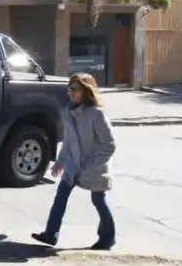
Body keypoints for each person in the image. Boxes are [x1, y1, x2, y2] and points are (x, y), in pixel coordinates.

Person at [31, 73, 117, 250]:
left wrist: (89, 165)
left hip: (94, 168)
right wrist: (60, 161)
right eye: (69, 89)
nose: (70, 92)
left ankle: (108, 237)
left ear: (86, 91)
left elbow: (109, 144)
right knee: (61, 195)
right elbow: (69, 141)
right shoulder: (69, 112)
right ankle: (51, 234)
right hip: (73, 165)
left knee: (98, 200)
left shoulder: (96, 114)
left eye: (75, 89)